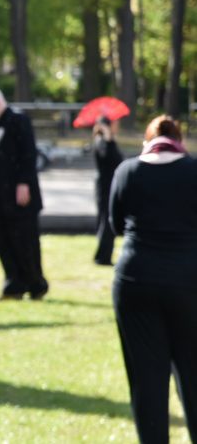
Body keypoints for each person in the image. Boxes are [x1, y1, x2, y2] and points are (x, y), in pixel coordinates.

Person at [109, 115, 197, 443]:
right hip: (189, 280)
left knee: (147, 380)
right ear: (180, 141)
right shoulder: (193, 170)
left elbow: (116, 224)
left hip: (136, 280)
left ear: (147, 141)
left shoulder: (127, 171)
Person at [0, 86, 49, 300]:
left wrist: (24, 183)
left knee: (25, 242)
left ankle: (36, 284)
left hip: (19, 196)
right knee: (2, 239)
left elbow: (28, 153)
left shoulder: (18, 120)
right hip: (1, 198)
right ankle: (14, 284)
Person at [91, 115, 123, 265]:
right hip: (105, 185)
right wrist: (107, 134)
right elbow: (107, 157)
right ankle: (103, 256)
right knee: (106, 220)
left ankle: (103, 255)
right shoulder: (102, 141)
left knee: (106, 219)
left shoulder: (109, 142)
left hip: (109, 184)